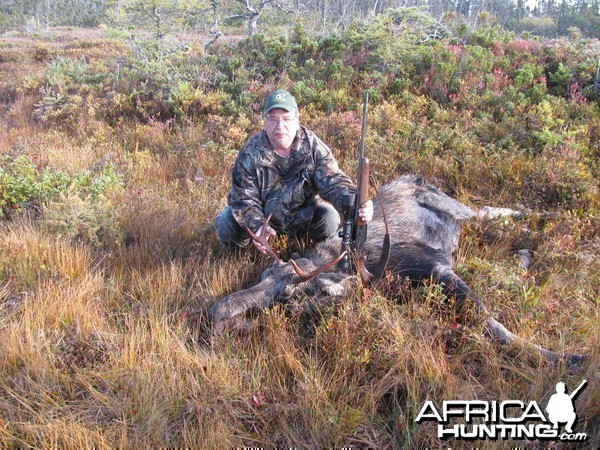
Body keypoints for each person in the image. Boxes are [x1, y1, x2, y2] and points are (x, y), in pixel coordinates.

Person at [215, 89, 373, 254]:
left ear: (296, 120)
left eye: (286, 119)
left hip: (302, 218)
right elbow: (243, 199)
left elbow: (334, 182)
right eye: (273, 119)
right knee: (226, 224)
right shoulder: (250, 153)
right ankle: (244, 257)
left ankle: (310, 248)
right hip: (264, 220)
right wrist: (257, 225)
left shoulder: (313, 147)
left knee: (329, 218)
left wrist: (357, 204)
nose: (280, 126)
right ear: (265, 121)